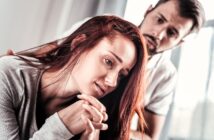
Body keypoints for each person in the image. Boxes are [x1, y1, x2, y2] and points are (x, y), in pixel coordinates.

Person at [5, 0, 205, 139]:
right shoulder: (103, 29)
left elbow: (150, 136)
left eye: (172, 32)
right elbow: (58, 51)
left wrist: (113, 131)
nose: (159, 34)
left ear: (180, 43)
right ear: (148, 11)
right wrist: (15, 64)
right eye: (160, 20)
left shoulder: (165, 76)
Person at [0, 15, 148, 140]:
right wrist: (60, 128)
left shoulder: (94, 121)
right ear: (78, 45)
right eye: (108, 61)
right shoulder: (8, 75)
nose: (112, 81)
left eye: (122, 75)